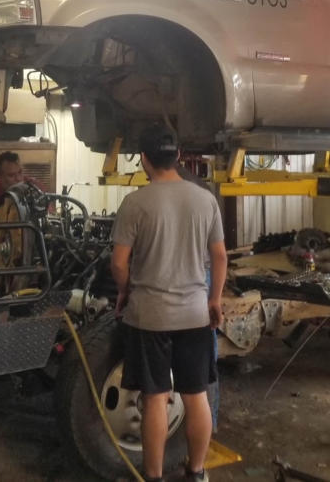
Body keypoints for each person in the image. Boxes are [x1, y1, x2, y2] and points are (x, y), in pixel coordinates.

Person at [111, 124, 228, 482]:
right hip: (194, 315)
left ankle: (154, 477)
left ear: (143, 159)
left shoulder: (135, 203)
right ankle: (196, 472)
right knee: (196, 396)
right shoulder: (205, 199)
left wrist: (124, 291)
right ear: (178, 156)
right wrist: (214, 299)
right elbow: (220, 257)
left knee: (155, 398)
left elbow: (119, 263)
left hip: (150, 317)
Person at [0, 151, 40, 222]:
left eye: (20, 172)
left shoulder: (34, 186)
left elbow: (47, 217)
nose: (18, 178)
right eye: (11, 175)